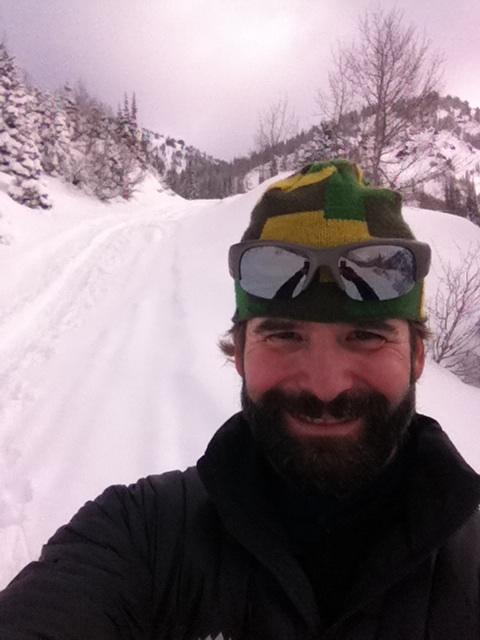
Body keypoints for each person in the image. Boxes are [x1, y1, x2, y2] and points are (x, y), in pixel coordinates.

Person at [1, 159, 479, 639]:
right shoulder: (141, 534)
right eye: (284, 335)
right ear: (241, 354)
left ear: (417, 355)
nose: (325, 385)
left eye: (367, 336)